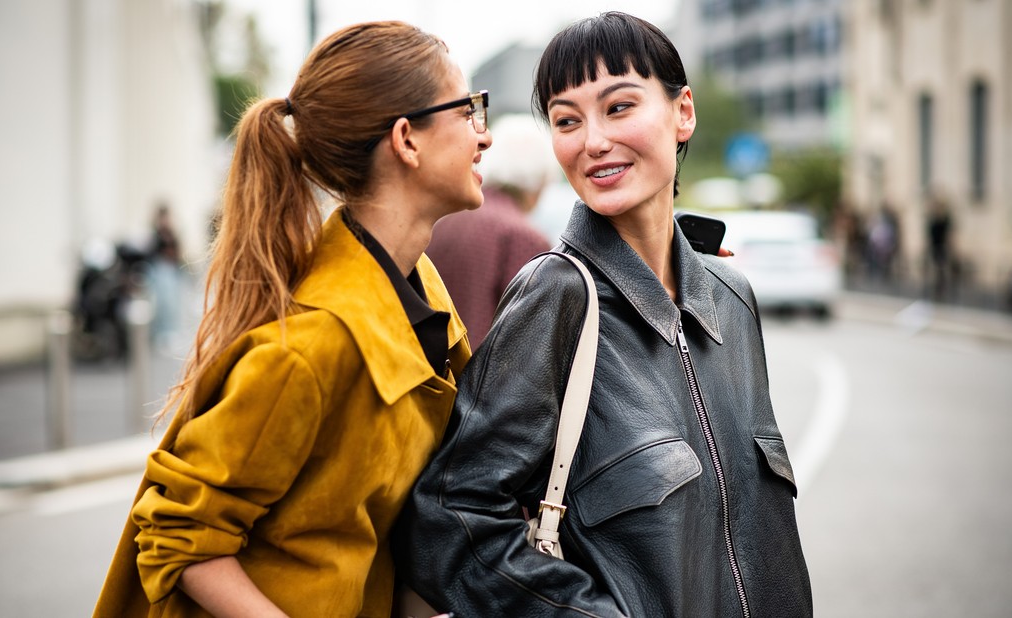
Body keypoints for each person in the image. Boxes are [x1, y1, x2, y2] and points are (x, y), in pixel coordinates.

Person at [395, 12, 812, 617]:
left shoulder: (732, 297)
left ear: (683, 113)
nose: (592, 141)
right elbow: (451, 519)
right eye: (567, 120)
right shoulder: (556, 296)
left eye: (618, 107)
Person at [95, 20, 490, 617]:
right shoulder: (313, 344)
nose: (484, 134)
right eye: (467, 110)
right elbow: (177, 533)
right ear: (407, 140)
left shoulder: (420, 295)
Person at [426, 113, 553, 347]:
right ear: (542, 179)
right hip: (483, 368)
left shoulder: (443, 222)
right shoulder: (523, 238)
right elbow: (526, 339)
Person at [147, 203, 184, 351]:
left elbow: (178, 251)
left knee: (172, 302)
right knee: (162, 303)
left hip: (171, 270)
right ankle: (161, 334)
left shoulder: (172, 232)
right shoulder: (156, 234)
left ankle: (171, 332)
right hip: (160, 271)